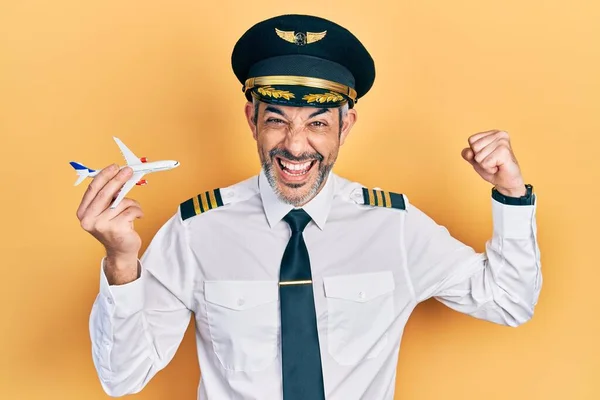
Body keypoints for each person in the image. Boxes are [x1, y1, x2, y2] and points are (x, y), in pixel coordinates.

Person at [79, 14, 542, 400]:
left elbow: (510, 301)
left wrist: (512, 194)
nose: (295, 147)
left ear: (346, 126)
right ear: (251, 121)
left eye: (318, 123)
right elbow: (122, 376)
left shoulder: (394, 228)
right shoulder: (196, 229)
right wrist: (120, 263)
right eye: (276, 121)